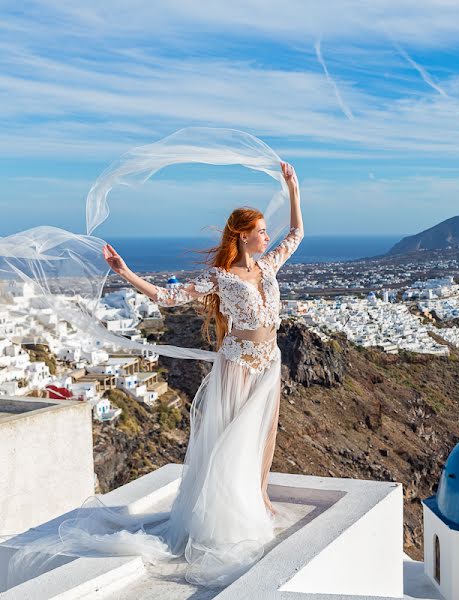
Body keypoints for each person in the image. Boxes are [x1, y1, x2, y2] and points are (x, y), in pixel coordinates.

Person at [9, 161, 304, 589]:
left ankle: (257, 499)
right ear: (241, 234)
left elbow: (296, 234)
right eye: (259, 230)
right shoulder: (220, 276)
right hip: (238, 363)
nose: (267, 236)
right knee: (232, 439)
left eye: (264, 231)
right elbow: (168, 297)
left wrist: (293, 189)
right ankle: (226, 517)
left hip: (268, 360)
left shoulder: (270, 266)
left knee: (261, 436)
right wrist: (125, 272)